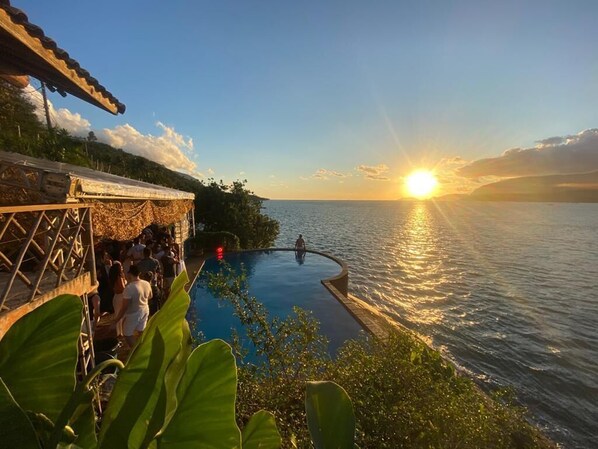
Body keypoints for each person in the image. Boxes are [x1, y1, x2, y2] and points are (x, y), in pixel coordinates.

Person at [113, 265, 152, 348]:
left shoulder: (129, 288)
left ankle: (135, 351)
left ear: (130, 274)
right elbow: (150, 296)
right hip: (145, 309)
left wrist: (116, 320)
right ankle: (144, 347)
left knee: (127, 334)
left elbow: (124, 307)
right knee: (141, 331)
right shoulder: (146, 283)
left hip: (133, 313)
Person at [109, 261, 127, 338]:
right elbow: (122, 287)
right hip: (121, 296)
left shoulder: (113, 278)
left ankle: (119, 332)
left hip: (116, 297)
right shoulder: (119, 277)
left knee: (117, 314)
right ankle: (122, 332)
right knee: (123, 314)